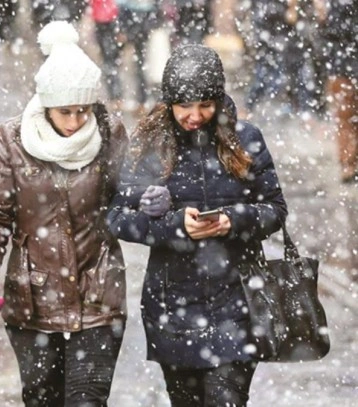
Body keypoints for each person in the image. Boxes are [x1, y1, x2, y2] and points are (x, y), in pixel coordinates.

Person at [107, 45, 288, 406]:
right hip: (173, 305)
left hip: (237, 301)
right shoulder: (150, 146)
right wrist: (174, 226)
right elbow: (118, 217)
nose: (195, 116)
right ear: (169, 103)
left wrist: (232, 221)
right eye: (184, 106)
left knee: (226, 398)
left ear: (218, 99)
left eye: (205, 105)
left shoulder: (245, 138)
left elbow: (275, 208)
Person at [0, 21, 129, 406]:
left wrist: (150, 201)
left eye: (83, 111)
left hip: (98, 298)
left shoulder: (110, 133)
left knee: (87, 401)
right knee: (42, 400)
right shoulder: (11, 139)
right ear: (46, 105)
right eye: (65, 111)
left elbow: (129, 201)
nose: (75, 122)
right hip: (32, 301)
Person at [320, 0, 357, 183]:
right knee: (345, 114)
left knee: (346, 115)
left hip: (341, 59)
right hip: (341, 61)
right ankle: (348, 163)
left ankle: (349, 163)